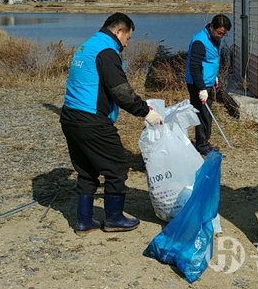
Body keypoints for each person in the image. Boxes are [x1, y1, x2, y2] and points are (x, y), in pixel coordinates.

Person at [60, 12, 163, 235]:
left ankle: (84, 221)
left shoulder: (87, 46)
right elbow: (120, 91)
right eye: (128, 38)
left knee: (87, 170)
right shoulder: (107, 52)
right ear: (119, 31)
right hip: (92, 120)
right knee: (117, 168)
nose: (127, 43)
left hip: (70, 117)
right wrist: (145, 112)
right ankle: (114, 219)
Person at [185, 14, 232, 155]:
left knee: (206, 114)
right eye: (219, 33)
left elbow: (210, 61)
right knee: (202, 115)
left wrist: (214, 77)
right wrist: (201, 88)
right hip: (197, 84)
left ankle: (204, 142)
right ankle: (202, 145)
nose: (220, 36)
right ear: (211, 27)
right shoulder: (199, 42)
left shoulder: (214, 39)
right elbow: (194, 67)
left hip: (207, 82)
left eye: (223, 34)